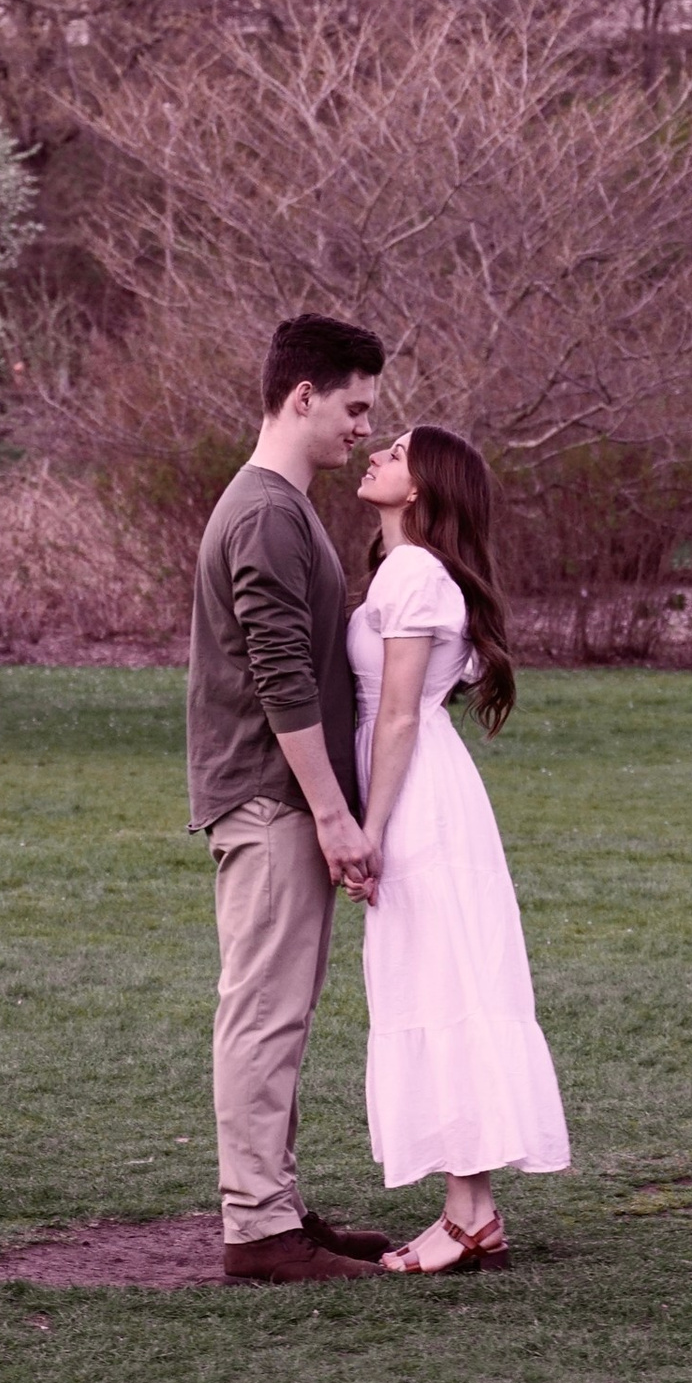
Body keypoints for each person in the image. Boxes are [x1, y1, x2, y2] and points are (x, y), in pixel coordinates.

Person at [188, 314, 394, 1284]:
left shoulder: (281, 504)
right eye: (354, 407)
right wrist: (331, 813)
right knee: (263, 1014)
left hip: (277, 799)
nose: (363, 427)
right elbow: (280, 677)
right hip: (270, 801)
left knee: (279, 1011)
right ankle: (258, 1230)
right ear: (301, 395)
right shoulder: (266, 509)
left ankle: (276, 1207)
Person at [349, 423, 569, 1274]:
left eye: (395, 452)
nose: (375, 453)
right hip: (421, 789)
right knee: (438, 983)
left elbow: (399, 714)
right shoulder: (405, 572)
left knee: (441, 986)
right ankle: (470, 1211)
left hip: (414, 800)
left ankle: (467, 1211)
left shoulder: (413, 573)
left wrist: (367, 831)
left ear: (421, 490)